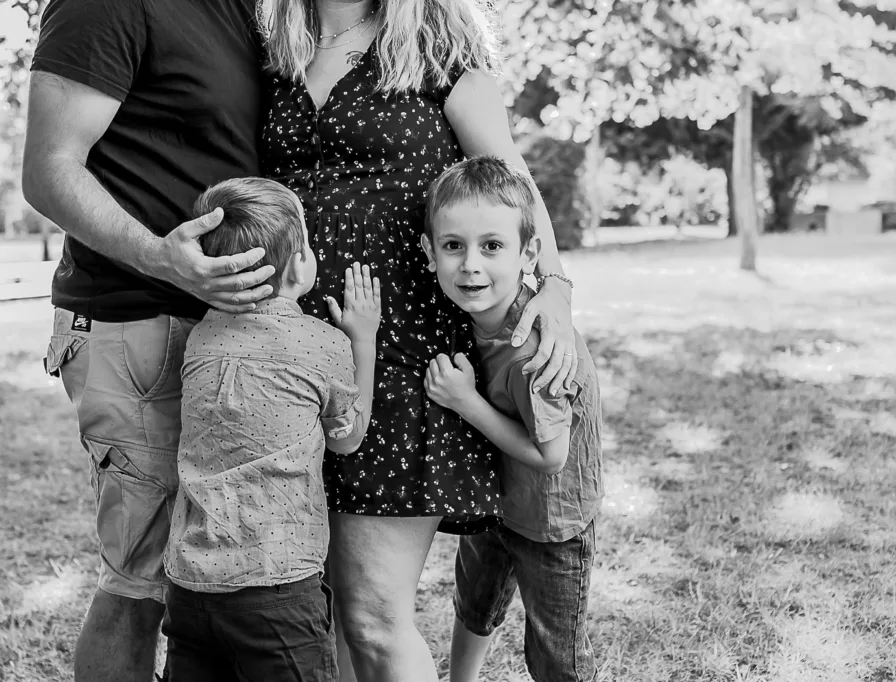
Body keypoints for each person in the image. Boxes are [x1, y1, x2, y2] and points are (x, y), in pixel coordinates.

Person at [258, 1, 578, 679]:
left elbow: (512, 181)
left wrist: (554, 287)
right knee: (331, 612)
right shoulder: (273, 48)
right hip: (294, 363)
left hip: (404, 366)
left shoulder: (437, 54)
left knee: (374, 616)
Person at [23, 1, 274, 679]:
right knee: (139, 583)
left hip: (229, 330)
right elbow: (49, 168)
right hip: (136, 320)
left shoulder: (256, 11)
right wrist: (161, 256)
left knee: (216, 581)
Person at [161, 177, 380, 681]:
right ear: (301, 260)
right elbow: (347, 436)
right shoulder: (320, 343)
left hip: (190, 586)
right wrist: (361, 340)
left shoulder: (201, 336)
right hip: (277, 587)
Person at [420, 157, 603, 682]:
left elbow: (552, 456)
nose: (470, 265)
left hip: (552, 520)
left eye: (492, 246)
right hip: (497, 498)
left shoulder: (534, 351)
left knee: (555, 650)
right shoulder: (473, 314)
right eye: (453, 246)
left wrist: (466, 402)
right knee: (474, 602)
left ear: (529, 254)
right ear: (430, 253)